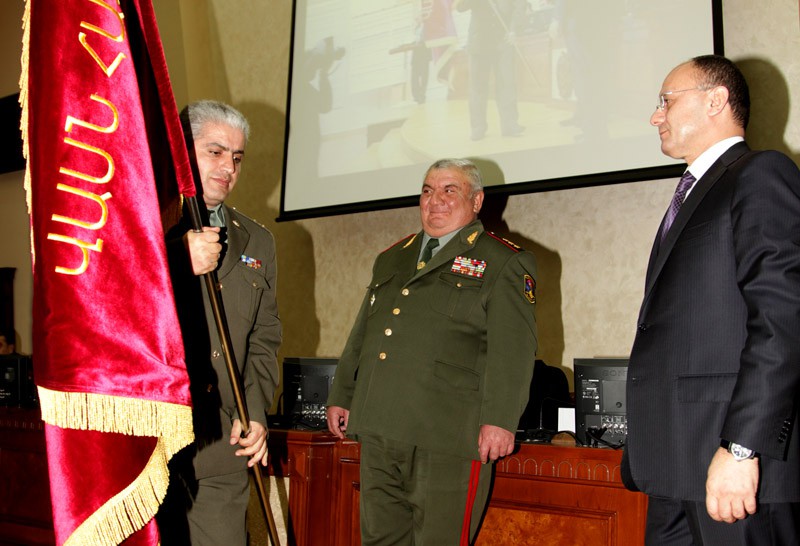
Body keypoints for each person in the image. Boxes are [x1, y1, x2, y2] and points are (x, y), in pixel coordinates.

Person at [622, 55, 800, 545]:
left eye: (666, 101)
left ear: (715, 100)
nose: (655, 116)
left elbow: (782, 320)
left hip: (734, 466)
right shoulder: (694, 192)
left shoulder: (759, 174)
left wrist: (742, 448)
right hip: (676, 467)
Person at [326, 158, 538, 545]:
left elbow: (514, 351)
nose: (434, 199)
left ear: (476, 201)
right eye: (427, 190)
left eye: (449, 190)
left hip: (449, 434)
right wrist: (342, 393)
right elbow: (364, 332)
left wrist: (501, 419)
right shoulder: (393, 257)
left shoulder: (502, 260)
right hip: (381, 425)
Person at [158, 100, 282, 545]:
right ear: (181, 152)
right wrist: (174, 261)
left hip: (223, 441)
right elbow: (110, 301)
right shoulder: (142, 226)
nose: (229, 167)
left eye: (237, 157)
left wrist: (255, 412)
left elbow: (264, 337)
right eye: (215, 152)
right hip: (152, 442)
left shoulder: (257, 240)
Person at [454, 0, 527, 141]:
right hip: (479, 43)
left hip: (503, 41)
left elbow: (520, 5)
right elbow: (460, 7)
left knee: (507, 84)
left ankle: (510, 125)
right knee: (478, 88)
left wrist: (514, 30)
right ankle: (478, 127)